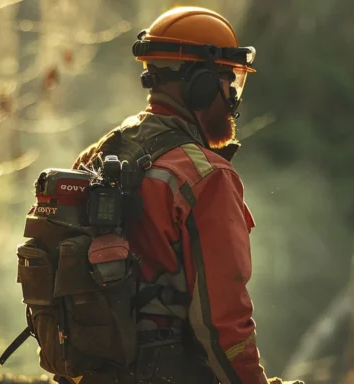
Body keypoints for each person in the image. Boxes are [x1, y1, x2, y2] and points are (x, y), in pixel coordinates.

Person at [66, 6, 300, 384]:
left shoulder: (99, 154)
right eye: (228, 81)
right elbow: (223, 323)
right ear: (201, 84)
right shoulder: (206, 176)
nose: (233, 98)